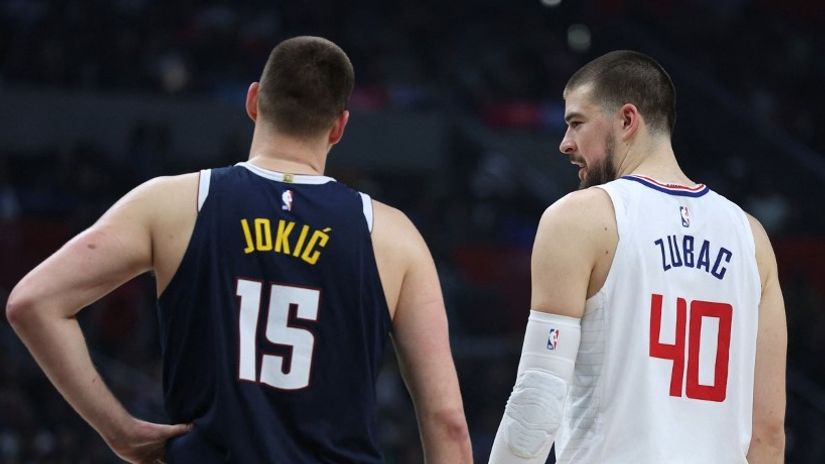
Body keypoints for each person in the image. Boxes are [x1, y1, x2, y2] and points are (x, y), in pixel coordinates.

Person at [6, 36, 472, 463]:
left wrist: (119, 431)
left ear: (253, 101)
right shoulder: (393, 235)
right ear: (339, 127)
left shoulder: (173, 202)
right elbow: (446, 420)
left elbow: (33, 303)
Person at [489, 50, 786, 463]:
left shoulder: (579, 218)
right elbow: (768, 435)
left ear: (627, 120)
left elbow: (536, 405)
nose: (564, 143)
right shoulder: (751, 237)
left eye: (576, 122)